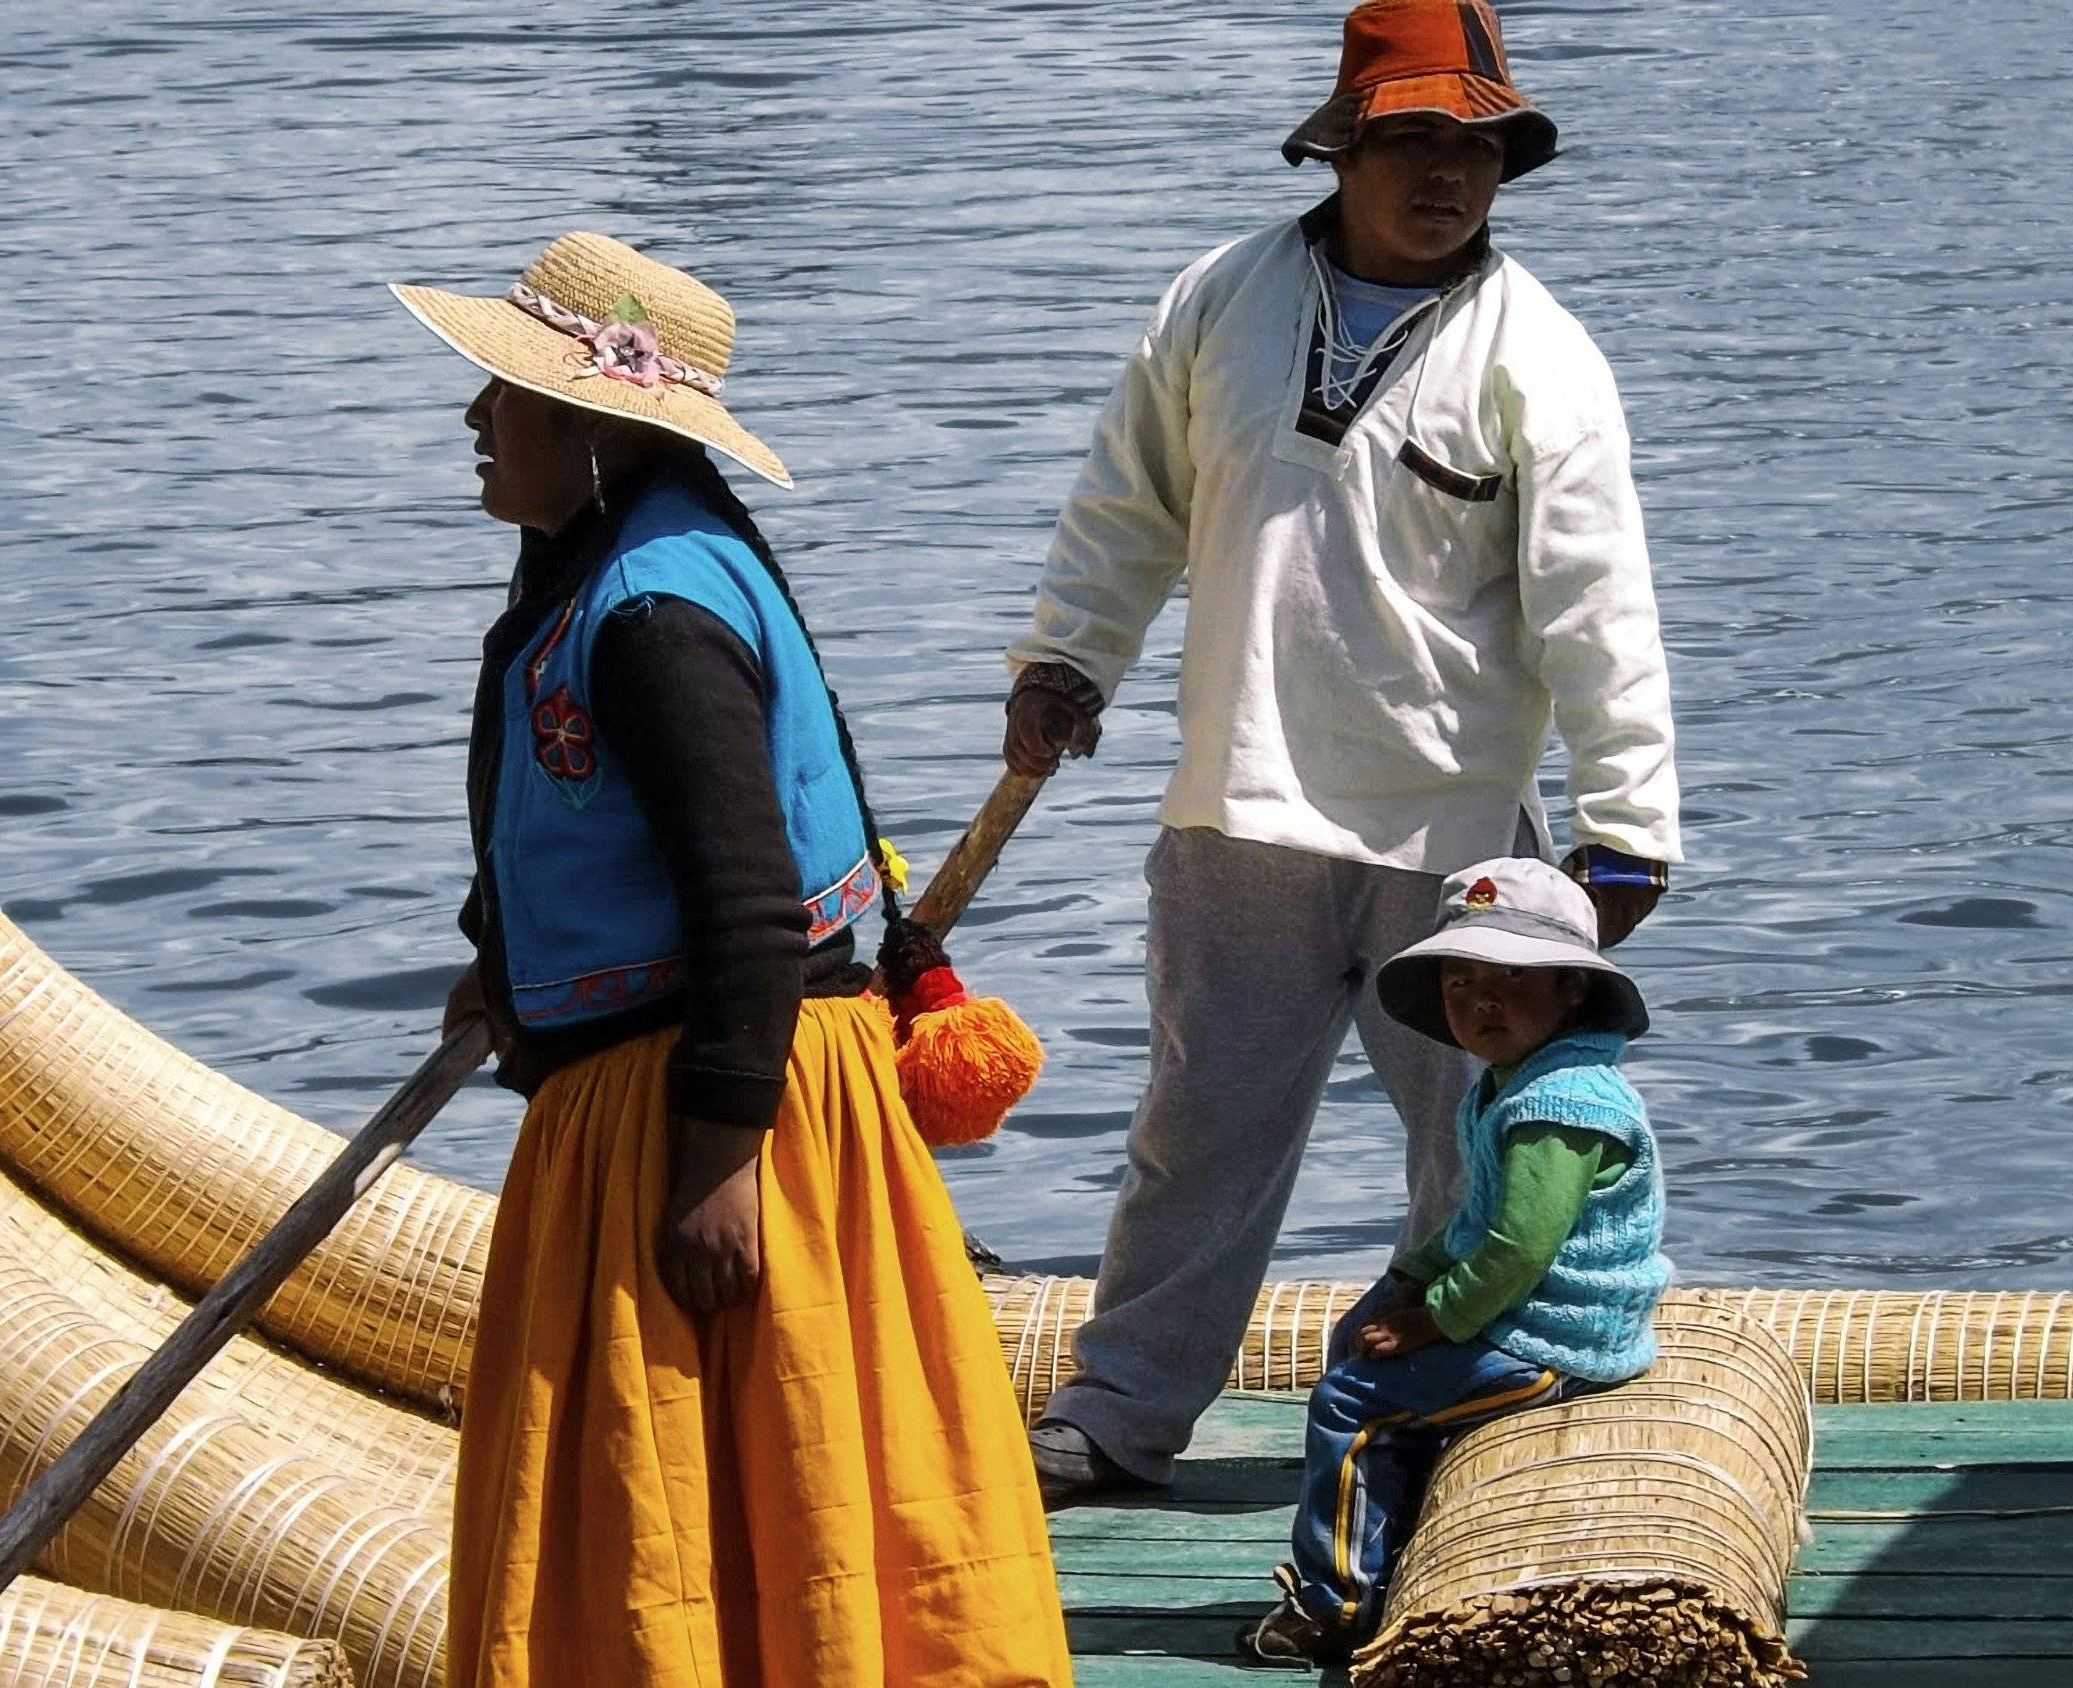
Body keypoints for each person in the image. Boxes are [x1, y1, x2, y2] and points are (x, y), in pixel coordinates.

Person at [1008, 0, 1681, 1501]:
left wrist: (1626, 821)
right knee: (1197, 1137)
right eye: (1419, 141)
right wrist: (1068, 656)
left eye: (1479, 148)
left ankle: (1467, 1411)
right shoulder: (1222, 299)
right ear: (1347, 146)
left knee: (1479, 1156)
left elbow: (1599, 601)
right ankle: (1118, 1416)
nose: (1450, 175)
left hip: (1453, 849)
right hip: (1232, 810)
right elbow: (1132, 501)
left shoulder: (1543, 358)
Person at [398, 233, 1070, 1687]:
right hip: (723, 1084)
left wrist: (714, 1160)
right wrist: (501, 965)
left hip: (714, 1106)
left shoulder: (650, 614)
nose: (470, 419)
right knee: (772, 1473)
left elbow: (745, 898)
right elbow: (587, 827)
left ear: (590, 429)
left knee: (686, 1486)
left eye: (498, 394)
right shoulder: (628, 556)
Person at [1241, 857, 1670, 1667]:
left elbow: (1518, 1249)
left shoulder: (1560, 1106)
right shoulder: (1515, 1083)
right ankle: (1386, 1538)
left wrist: (1435, 1318)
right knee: (1354, 1338)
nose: (1482, 1001)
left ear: (1572, 989)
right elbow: (1476, 1221)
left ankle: (1336, 1606)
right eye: (1461, 982)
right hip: (1525, 1311)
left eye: (1511, 978)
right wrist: (1407, 1280)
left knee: (1350, 1403)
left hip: (1559, 1335)